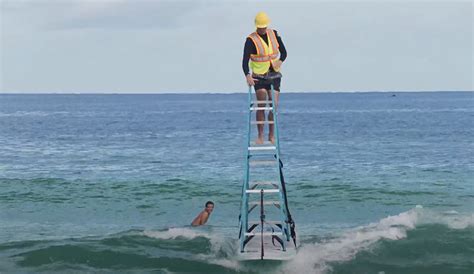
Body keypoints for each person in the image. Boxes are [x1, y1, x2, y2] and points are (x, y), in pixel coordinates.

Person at [242, 12, 287, 145]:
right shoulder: (251, 40)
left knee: (274, 106)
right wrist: (248, 75)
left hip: (274, 74)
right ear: (256, 26)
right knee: (261, 103)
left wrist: (280, 61)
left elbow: (284, 52)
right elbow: (244, 61)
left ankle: (271, 135)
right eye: (260, 27)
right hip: (259, 76)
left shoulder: (274, 34)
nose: (262, 29)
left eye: (264, 27)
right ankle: (260, 135)